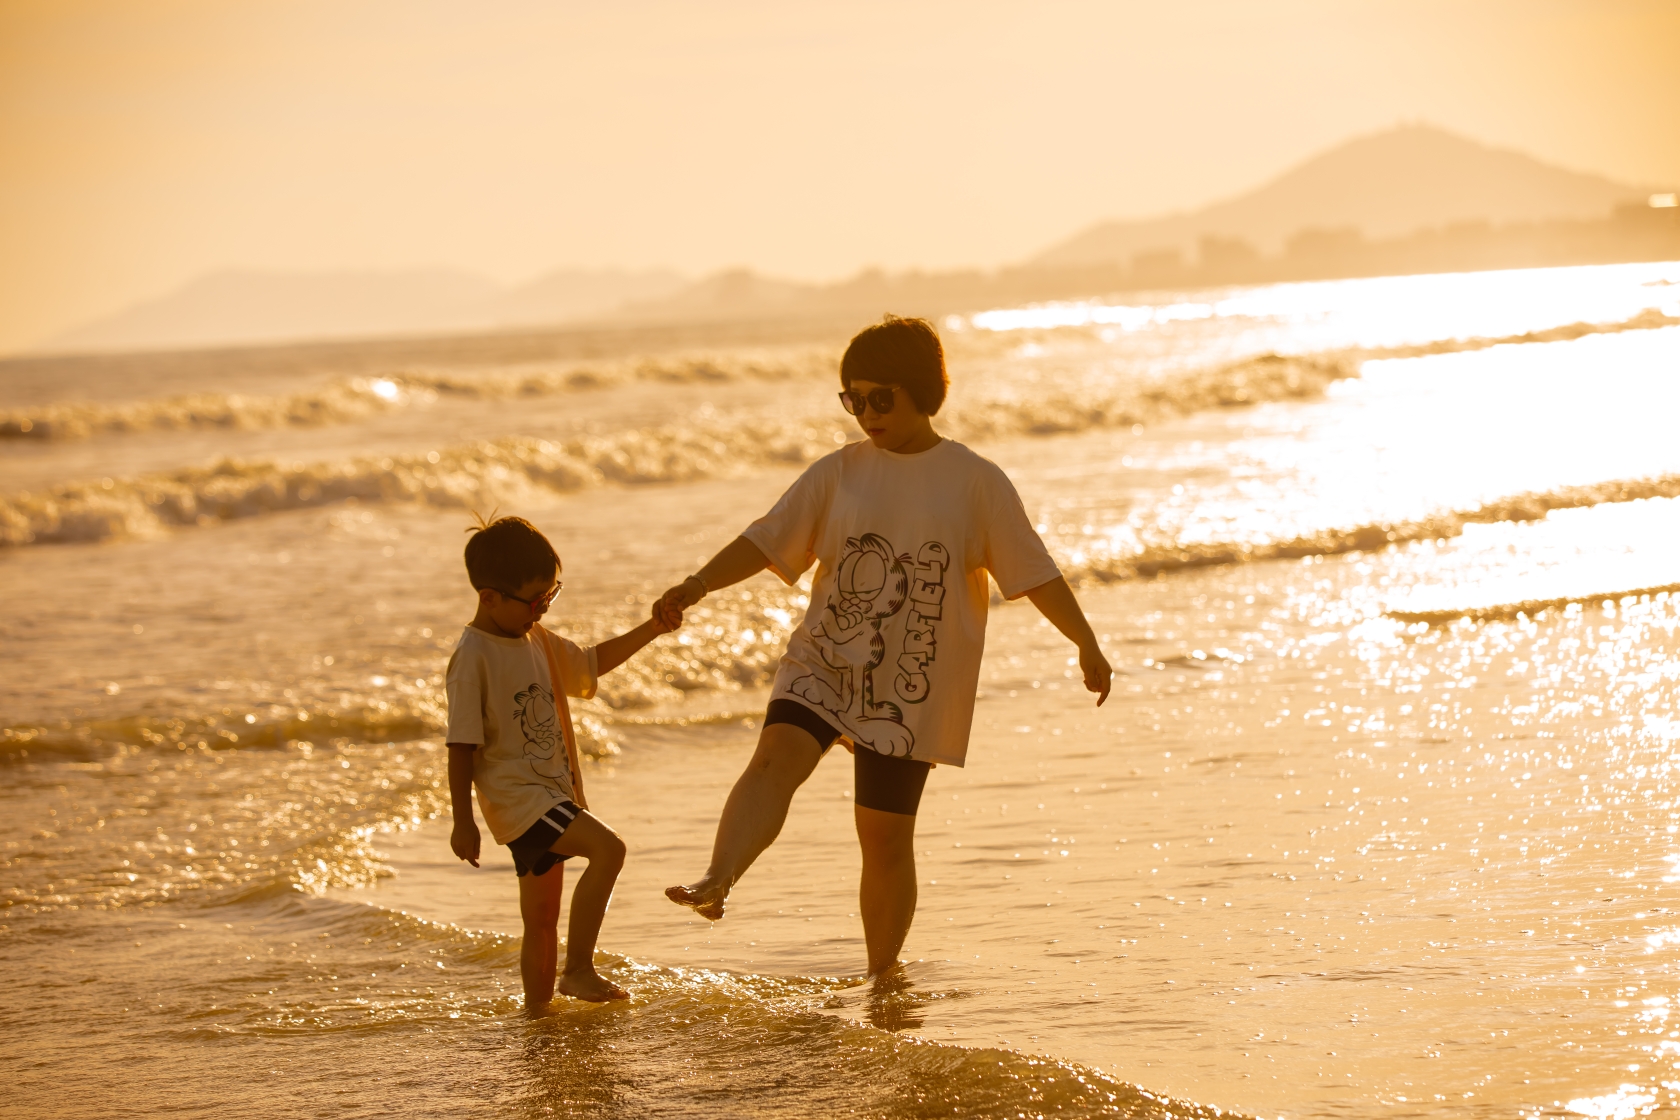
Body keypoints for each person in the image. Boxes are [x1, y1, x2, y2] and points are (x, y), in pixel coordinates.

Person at [657, 315, 1111, 976]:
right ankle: (718, 878)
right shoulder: (838, 473)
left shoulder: (973, 481)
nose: (865, 413)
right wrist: (697, 584)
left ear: (923, 391)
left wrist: (1086, 642)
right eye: (853, 399)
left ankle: (881, 975)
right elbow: (765, 539)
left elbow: (1034, 574)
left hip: (910, 684)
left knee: (885, 836)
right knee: (776, 756)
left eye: (880, 398)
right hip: (826, 656)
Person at [445, 514, 679, 1007]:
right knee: (609, 850)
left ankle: (537, 1018)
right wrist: (462, 822)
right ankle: (579, 970)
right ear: (489, 597)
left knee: (541, 920)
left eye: (550, 598)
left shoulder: (538, 640)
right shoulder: (473, 657)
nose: (542, 611)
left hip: (550, 793)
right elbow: (461, 744)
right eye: (534, 602)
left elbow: (591, 665)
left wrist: (653, 629)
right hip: (520, 799)